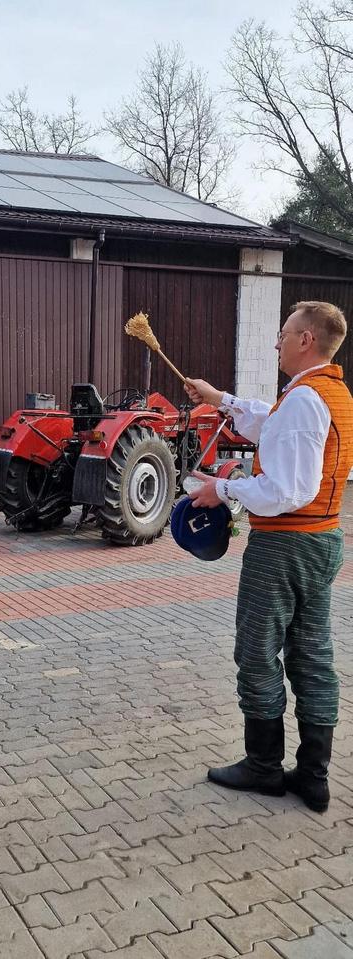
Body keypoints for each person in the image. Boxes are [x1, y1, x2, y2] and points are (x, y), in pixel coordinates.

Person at [185, 301, 353, 813]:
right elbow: (273, 427)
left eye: (283, 333)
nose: (276, 342)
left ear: (306, 341)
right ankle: (312, 776)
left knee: (257, 652)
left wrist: (226, 488)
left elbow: (288, 489)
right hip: (320, 540)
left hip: (285, 544)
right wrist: (222, 400)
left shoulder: (304, 399)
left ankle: (263, 767)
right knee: (311, 653)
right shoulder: (328, 392)